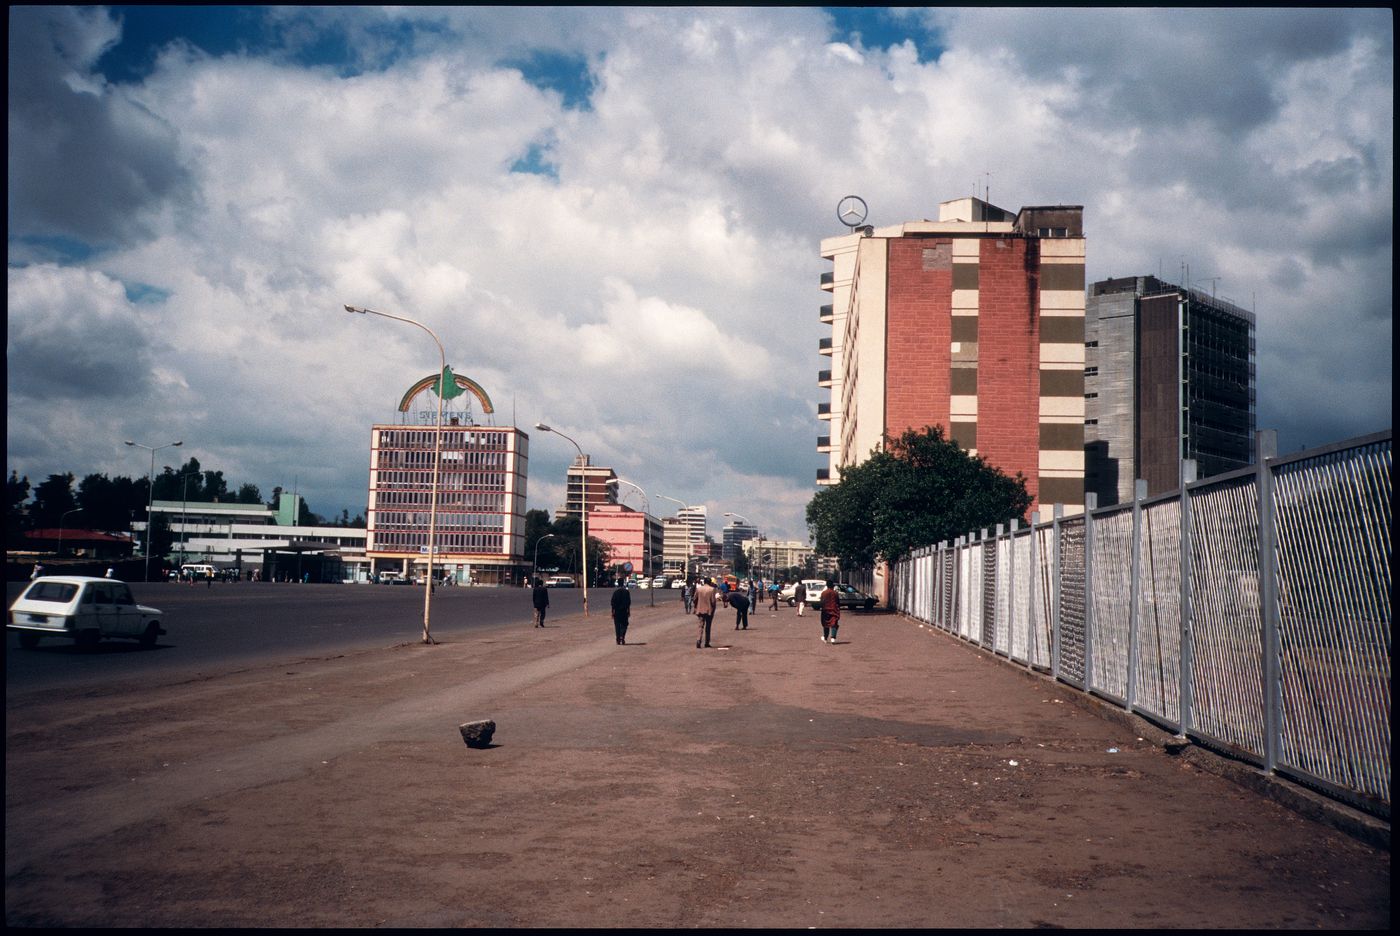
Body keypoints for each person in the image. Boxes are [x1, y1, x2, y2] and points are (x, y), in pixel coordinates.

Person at [693, 577, 718, 649]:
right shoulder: (712, 589)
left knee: (700, 626)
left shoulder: (699, 589)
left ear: (704, 582)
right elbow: (713, 601)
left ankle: (698, 640)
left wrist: (696, 606)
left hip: (700, 610)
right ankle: (707, 642)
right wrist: (713, 608)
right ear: (710, 582)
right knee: (708, 627)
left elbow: (694, 599)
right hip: (709, 610)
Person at [611, 577, 632, 645]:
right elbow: (628, 602)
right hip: (624, 611)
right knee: (624, 624)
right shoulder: (626, 592)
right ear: (623, 583)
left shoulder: (615, 593)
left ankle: (618, 639)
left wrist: (612, 612)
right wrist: (628, 611)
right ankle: (622, 636)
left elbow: (613, 603)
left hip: (617, 612)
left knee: (617, 625)